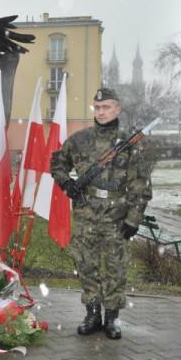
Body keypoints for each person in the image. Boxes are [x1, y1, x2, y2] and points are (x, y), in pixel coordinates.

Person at [50, 88, 152, 339]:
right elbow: (57, 163)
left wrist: (134, 218)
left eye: (106, 107)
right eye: (97, 108)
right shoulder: (79, 140)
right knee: (86, 265)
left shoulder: (130, 143)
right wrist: (66, 183)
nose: (101, 112)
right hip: (86, 213)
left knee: (116, 268)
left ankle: (112, 319)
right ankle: (92, 314)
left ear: (117, 109)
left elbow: (141, 184)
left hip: (117, 215)